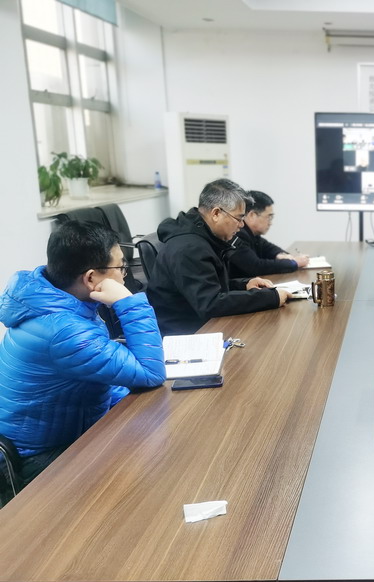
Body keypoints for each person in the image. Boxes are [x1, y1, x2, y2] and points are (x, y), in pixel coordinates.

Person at [0, 221, 165, 503]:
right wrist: (129, 302)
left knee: (151, 433)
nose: (124, 276)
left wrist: (126, 399)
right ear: (90, 278)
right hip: (39, 459)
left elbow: (97, 372)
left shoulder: (59, 302)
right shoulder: (64, 331)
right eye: (121, 268)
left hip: (65, 431)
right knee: (149, 478)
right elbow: (151, 372)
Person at [147, 179, 291, 335]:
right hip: (185, 334)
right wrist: (270, 298)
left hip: (200, 323)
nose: (242, 225)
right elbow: (210, 304)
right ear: (216, 213)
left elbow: (210, 284)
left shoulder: (204, 237)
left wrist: (245, 284)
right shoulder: (190, 248)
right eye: (238, 218)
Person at [227, 190, 309, 277]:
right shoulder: (237, 233)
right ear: (252, 215)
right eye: (269, 217)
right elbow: (256, 267)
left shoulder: (253, 234)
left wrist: (280, 255)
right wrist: (294, 263)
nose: (270, 223)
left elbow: (268, 248)